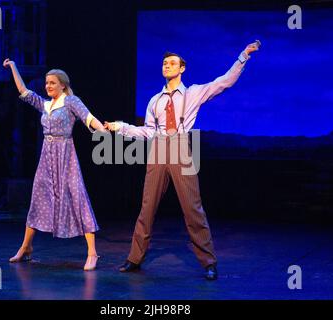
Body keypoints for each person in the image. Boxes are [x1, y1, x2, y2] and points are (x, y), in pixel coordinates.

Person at [105, 41, 260, 280]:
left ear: (182, 68)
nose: (167, 66)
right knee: (147, 208)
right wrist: (120, 127)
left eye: (172, 63)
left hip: (180, 145)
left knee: (192, 207)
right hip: (158, 148)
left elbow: (224, 82)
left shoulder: (193, 93)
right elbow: (148, 132)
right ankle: (134, 258)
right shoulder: (154, 100)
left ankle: (208, 261)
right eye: (165, 63)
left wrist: (243, 56)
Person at [3, 58, 106, 271]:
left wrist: (102, 131)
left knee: (77, 196)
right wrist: (13, 66)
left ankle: (92, 253)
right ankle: (26, 247)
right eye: (46, 82)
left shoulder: (71, 101)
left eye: (52, 83)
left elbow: (88, 117)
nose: (47, 86)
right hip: (46, 157)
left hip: (66, 156)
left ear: (63, 85)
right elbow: (23, 90)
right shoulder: (45, 104)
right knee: (38, 197)